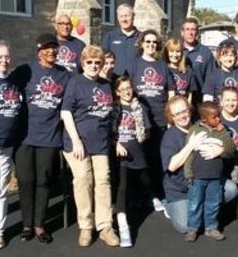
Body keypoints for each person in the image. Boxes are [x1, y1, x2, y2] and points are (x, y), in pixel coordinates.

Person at [14, 34, 70, 244]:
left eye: (54, 48)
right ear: (39, 51)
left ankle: (39, 225)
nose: (51, 52)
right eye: (46, 49)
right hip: (24, 137)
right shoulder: (24, 71)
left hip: (50, 137)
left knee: (44, 182)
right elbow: (4, 87)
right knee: (26, 181)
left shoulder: (65, 75)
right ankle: (26, 224)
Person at [61, 45, 119, 248]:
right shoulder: (75, 82)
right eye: (89, 62)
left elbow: (110, 114)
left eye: (97, 62)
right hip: (77, 143)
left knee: (103, 180)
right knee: (84, 180)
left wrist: (114, 136)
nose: (94, 65)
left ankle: (105, 226)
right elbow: (66, 112)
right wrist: (76, 140)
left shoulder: (106, 84)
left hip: (101, 142)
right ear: (82, 63)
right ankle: (86, 225)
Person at [130, 29, 175, 205]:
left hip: (160, 119)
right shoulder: (134, 65)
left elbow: (171, 91)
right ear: (141, 44)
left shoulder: (162, 66)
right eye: (147, 41)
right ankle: (144, 194)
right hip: (141, 121)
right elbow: (129, 91)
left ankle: (159, 193)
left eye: (154, 42)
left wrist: (170, 117)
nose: (151, 45)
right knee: (142, 159)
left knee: (158, 158)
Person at [0, 41, 21, 250]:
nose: (4, 60)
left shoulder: (13, 80)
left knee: (2, 190)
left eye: (7, 56)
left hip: (7, 145)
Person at [184, 101, 235, 242]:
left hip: (215, 177)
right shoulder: (195, 130)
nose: (219, 119)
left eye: (219, 116)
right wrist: (188, 173)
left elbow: (231, 149)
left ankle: (211, 228)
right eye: (215, 117)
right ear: (204, 119)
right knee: (195, 204)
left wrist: (222, 134)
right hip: (198, 176)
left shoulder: (222, 131)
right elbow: (189, 153)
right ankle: (192, 229)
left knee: (213, 203)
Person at [112, 76, 152, 247]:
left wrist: (139, 135)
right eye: (122, 89)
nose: (127, 91)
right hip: (120, 154)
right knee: (122, 186)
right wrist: (117, 143)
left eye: (129, 88)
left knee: (145, 180)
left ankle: (154, 196)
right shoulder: (115, 108)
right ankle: (122, 223)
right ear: (117, 92)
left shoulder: (139, 107)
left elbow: (147, 133)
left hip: (138, 153)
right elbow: (107, 132)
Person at [102, 3, 141, 77]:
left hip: (136, 79)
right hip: (114, 79)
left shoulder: (141, 37)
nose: (124, 19)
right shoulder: (110, 36)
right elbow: (104, 58)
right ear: (118, 18)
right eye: (121, 16)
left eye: (127, 16)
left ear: (133, 16)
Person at [181, 17, 215, 100]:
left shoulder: (205, 52)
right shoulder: (175, 51)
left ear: (197, 32)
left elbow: (210, 76)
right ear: (182, 32)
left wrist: (207, 97)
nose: (190, 33)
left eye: (193, 29)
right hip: (179, 98)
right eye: (187, 29)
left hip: (199, 99)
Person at [163, 38, 197, 103]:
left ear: (182, 53)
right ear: (167, 53)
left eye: (178, 51)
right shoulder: (163, 69)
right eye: (172, 51)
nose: (175, 55)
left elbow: (190, 95)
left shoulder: (188, 71)